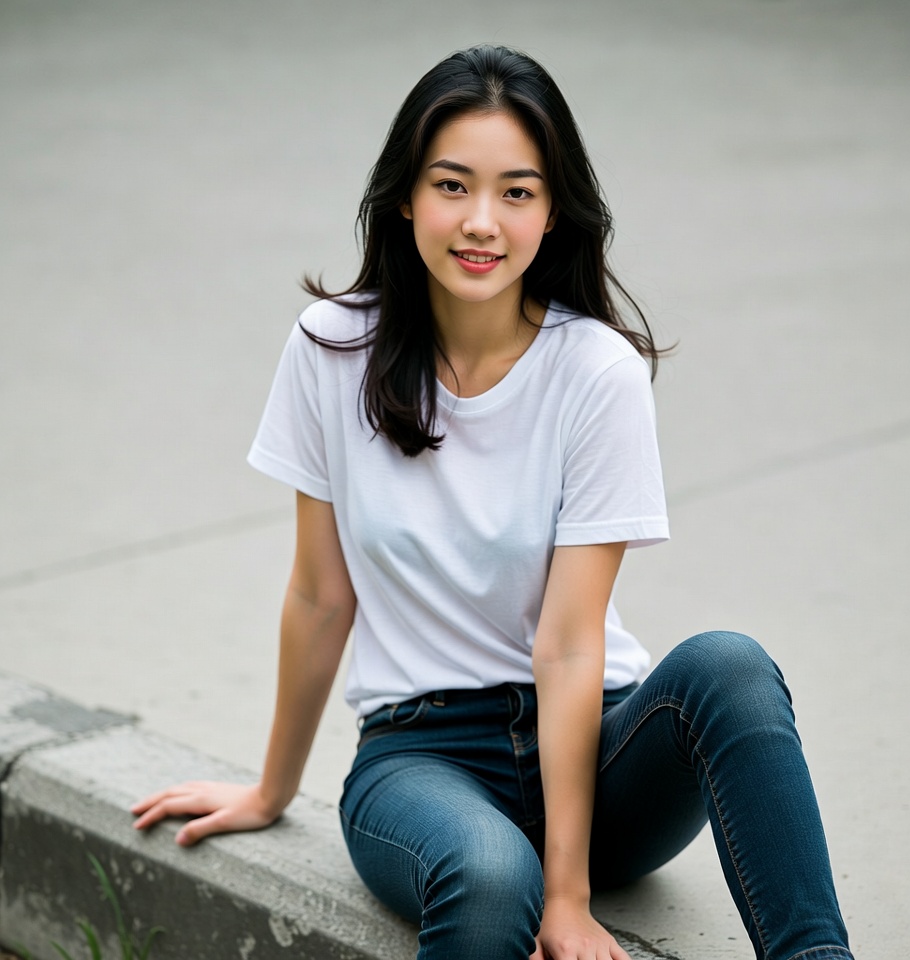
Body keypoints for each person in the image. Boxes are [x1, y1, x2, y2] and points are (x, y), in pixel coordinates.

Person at [132, 45, 855, 960]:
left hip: (598, 747)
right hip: (420, 758)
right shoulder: (330, 348)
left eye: (517, 191)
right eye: (452, 185)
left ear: (554, 212)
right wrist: (270, 792)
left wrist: (570, 894)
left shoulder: (597, 371)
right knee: (486, 874)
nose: (482, 221)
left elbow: (567, 641)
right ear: (404, 195)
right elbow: (321, 594)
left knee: (731, 667)